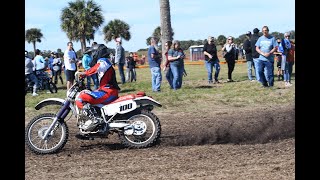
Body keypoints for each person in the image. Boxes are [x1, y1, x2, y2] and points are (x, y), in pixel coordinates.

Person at [75, 44, 120, 132]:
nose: (92, 55)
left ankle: (94, 120)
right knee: (89, 93)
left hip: (108, 92)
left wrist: (85, 73)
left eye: (93, 53)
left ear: (98, 53)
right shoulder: (106, 61)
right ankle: (96, 117)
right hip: (107, 91)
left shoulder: (103, 61)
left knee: (81, 96)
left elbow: (97, 67)